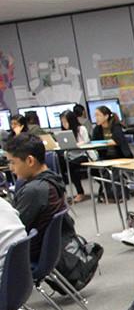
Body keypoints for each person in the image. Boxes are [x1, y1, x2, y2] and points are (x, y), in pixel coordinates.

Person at [6, 134, 74, 262]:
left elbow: (12, 227)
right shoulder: (52, 179)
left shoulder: (34, 191)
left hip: (26, 257)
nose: (11, 168)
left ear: (30, 161)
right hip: (48, 250)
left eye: (12, 162)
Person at [59, 110, 92, 203]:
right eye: (62, 122)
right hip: (71, 155)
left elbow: (86, 141)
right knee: (60, 164)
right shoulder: (64, 133)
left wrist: (76, 144)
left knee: (70, 166)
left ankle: (80, 192)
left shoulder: (81, 129)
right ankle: (62, 193)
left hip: (84, 154)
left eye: (65, 121)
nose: (64, 124)